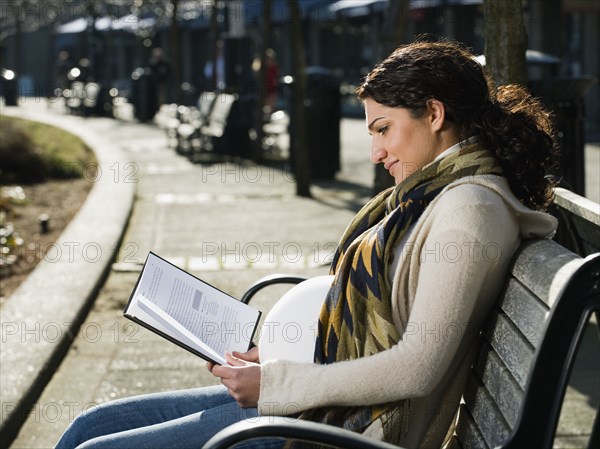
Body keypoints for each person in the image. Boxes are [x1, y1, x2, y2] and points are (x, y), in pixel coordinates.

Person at [55, 39, 558, 449]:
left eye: (384, 129)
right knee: (91, 425)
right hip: (325, 408)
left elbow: (417, 367)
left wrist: (278, 384)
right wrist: (276, 357)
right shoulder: (437, 193)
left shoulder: (468, 211)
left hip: (352, 433)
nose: (376, 151)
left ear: (433, 113)